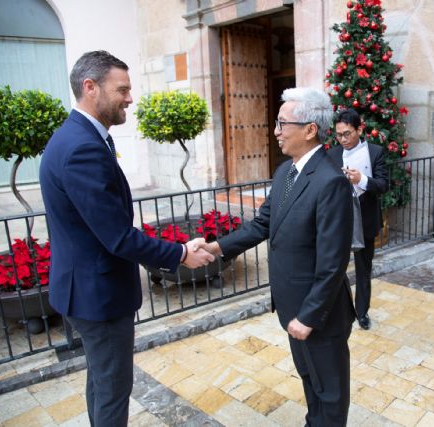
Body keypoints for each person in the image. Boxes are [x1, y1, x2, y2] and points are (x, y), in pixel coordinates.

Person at [39, 50, 214, 427]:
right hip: (97, 297)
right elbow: (117, 237)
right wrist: (182, 251)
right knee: (114, 389)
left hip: (83, 290)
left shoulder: (76, 136)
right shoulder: (83, 147)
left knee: (101, 382)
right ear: (90, 87)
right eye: (123, 89)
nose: (130, 98)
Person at [199, 87, 355, 426]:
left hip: (319, 314)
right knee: (310, 380)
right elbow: (263, 224)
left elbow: (332, 263)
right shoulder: (287, 172)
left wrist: (310, 316)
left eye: (283, 123)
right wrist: (218, 247)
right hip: (292, 307)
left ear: (310, 130)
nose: (276, 131)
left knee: (330, 392)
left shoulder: (330, 182)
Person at [327, 109, 388, 330]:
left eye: (347, 134)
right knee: (335, 268)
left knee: (363, 270)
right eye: (339, 134)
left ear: (359, 129)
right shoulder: (332, 154)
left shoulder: (376, 152)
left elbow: (383, 185)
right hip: (339, 220)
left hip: (365, 220)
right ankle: (336, 311)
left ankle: (362, 313)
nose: (343, 139)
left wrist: (361, 179)